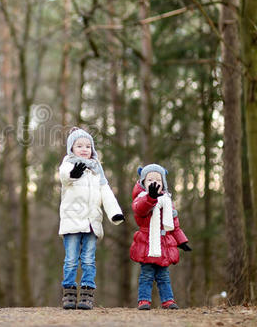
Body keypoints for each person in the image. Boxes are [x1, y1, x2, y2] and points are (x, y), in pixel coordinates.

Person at [58, 127, 125, 310]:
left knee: (88, 259)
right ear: (71, 148)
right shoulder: (68, 164)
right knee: (71, 259)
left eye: (88, 146)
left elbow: (106, 192)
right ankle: (69, 293)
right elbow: (64, 176)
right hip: (71, 221)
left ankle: (87, 294)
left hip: (91, 223)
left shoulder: (97, 171)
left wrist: (114, 213)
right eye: (79, 145)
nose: (84, 149)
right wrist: (73, 175)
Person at [129, 164, 192, 310]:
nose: (154, 182)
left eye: (158, 179)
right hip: (147, 243)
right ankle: (144, 300)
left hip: (164, 243)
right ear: (143, 182)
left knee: (164, 276)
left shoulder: (167, 202)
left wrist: (181, 241)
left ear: (163, 183)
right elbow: (140, 210)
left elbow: (174, 226)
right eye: (150, 179)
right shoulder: (141, 199)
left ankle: (168, 301)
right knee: (146, 275)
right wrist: (151, 198)